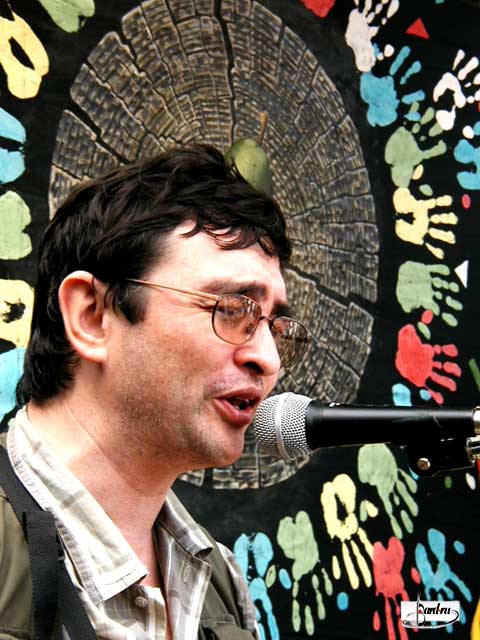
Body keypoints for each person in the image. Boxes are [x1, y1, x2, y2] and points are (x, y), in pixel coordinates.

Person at [0, 144, 308, 639]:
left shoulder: (221, 581)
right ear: (92, 316)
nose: (268, 359)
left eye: (276, 326)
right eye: (233, 308)